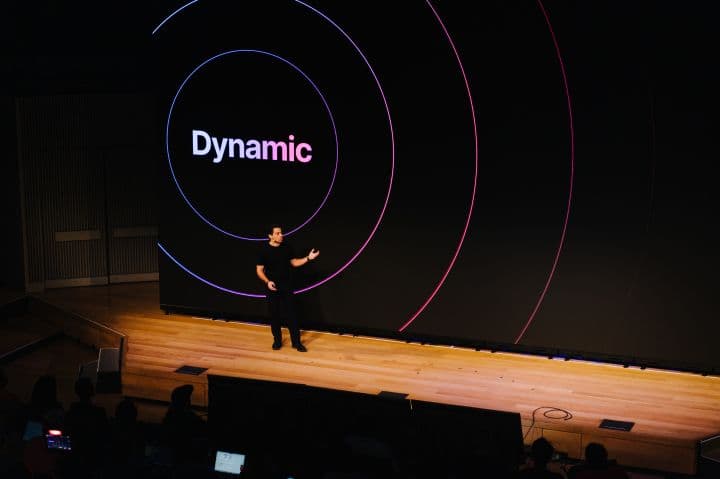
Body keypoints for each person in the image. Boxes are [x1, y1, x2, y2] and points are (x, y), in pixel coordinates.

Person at [256, 225, 319, 352]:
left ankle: (296, 343)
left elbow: (294, 262)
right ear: (270, 236)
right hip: (272, 287)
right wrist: (267, 282)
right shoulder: (264, 251)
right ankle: (277, 341)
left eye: (281, 233)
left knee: (292, 315)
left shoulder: (287, 248)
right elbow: (259, 270)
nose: (281, 235)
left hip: (287, 285)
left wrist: (308, 258)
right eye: (278, 233)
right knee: (274, 315)